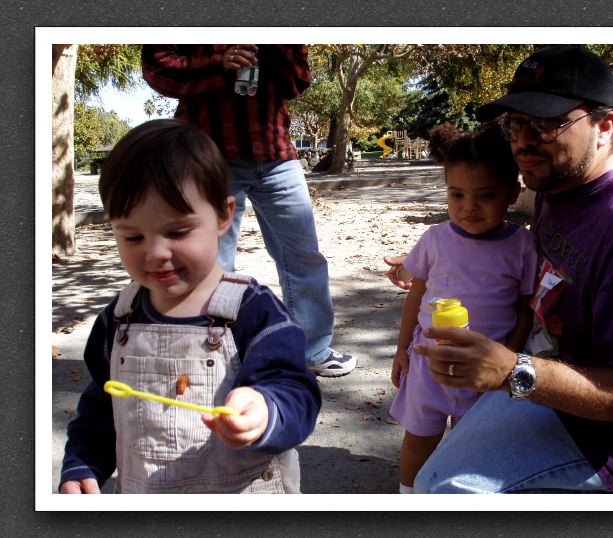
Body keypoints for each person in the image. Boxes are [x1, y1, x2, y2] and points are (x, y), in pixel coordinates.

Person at [385, 45, 613, 493]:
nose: (524, 143)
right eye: (516, 124)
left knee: (449, 493)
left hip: (612, 445)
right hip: (551, 384)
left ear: (605, 126)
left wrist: (515, 371)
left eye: (547, 124)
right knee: (429, 475)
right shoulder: (556, 184)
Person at [59, 120, 321, 494]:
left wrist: (267, 408)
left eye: (178, 231)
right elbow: (102, 407)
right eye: (133, 236)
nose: (156, 253)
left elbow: (298, 391)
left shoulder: (252, 310)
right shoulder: (119, 318)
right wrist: (82, 464)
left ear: (223, 215)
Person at [142, 44, 356, 377]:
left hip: (276, 154)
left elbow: (299, 80)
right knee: (210, 262)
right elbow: (157, 68)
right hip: (208, 154)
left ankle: (313, 348)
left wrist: (273, 49)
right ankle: (206, 355)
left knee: (303, 255)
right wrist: (218, 64)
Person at [390, 122, 538, 493]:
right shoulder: (435, 239)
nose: (468, 207)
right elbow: (416, 294)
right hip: (428, 360)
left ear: (511, 194)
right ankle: (408, 495)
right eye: (456, 195)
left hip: (486, 364)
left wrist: (511, 355)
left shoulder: (522, 246)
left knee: (473, 438)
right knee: (420, 435)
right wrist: (401, 348)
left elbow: (524, 308)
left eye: (485, 195)